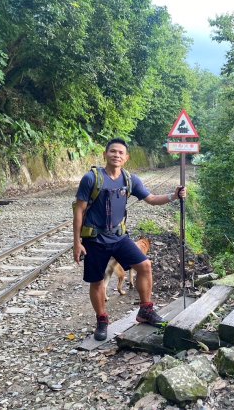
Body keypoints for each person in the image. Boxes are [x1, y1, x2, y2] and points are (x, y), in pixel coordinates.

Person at [73, 138, 186, 341]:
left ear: (126, 158)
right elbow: (79, 211)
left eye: (120, 153)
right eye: (113, 152)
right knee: (97, 281)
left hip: (119, 236)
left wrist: (174, 196)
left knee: (145, 265)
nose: (116, 155)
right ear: (105, 154)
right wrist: (77, 242)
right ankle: (102, 320)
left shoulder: (129, 179)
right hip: (95, 239)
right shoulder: (91, 178)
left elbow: (151, 199)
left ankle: (145, 311)